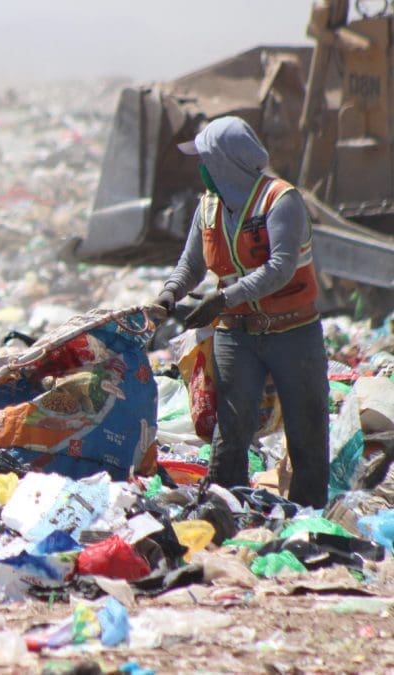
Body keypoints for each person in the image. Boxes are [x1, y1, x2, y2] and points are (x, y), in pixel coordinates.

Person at [155, 116, 329, 508]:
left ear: (225, 161)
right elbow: (191, 265)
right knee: (231, 428)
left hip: (292, 332)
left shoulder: (281, 201)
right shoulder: (209, 206)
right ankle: (226, 507)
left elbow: (281, 267)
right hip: (237, 334)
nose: (201, 168)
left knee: (307, 428)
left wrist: (222, 298)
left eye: (205, 159)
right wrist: (167, 296)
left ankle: (309, 515)